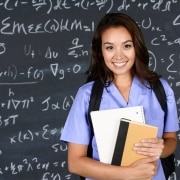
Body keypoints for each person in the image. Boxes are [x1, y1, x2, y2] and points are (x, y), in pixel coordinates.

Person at [60, 13, 179, 180]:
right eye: (110, 47)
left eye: (127, 46)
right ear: (100, 52)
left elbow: (171, 140)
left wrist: (162, 148)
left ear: (136, 47)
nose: (119, 56)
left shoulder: (161, 89)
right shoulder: (87, 96)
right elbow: (75, 163)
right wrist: (128, 174)